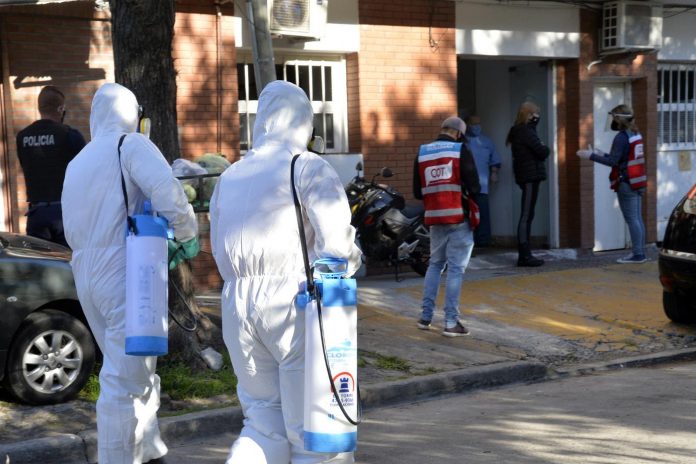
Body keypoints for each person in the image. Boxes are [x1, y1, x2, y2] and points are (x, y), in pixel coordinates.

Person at [209, 80, 361, 464]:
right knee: (315, 429)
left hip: (236, 304)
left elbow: (217, 244)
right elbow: (337, 247)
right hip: (296, 301)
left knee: (262, 422)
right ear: (302, 122)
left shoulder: (229, 176)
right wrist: (352, 259)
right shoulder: (306, 165)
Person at [62, 82, 199, 464]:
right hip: (127, 272)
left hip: (87, 273)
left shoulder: (79, 161)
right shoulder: (131, 145)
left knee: (134, 368)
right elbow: (167, 192)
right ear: (131, 114)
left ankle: (150, 452)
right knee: (124, 381)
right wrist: (187, 234)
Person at [413, 116, 481, 337]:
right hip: (457, 217)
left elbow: (416, 191)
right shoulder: (460, 150)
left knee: (435, 265)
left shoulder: (423, 152)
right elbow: (475, 186)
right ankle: (451, 322)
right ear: (459, 133)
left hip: (434, 218)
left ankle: (425, 317)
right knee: (455, 269)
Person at [16, 85, 86, 247]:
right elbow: (86, 173)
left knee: (41, 269)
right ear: (61, 108)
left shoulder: (22, 137)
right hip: (65, 214)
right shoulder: (70, 135)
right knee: (69, 266)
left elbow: (24, 166)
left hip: (36, 215)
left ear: (39, 108)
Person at [577, 104, 647, 263]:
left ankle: (638, 254)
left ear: (618, 119)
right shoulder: (635, 133)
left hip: (626, 182)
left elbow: (613, 162)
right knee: (637, 218)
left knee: (632, 219)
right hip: (636, 180)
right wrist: (601, 153)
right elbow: (621, 157)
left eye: (613, 117)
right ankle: (640, 252)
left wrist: (590, 156)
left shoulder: (621, 137)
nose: (612, 121)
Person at [506, 101, 549, 267]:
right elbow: (542, 151)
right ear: (528, 115)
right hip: (529, 176)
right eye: (534, 114)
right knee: (526, 215)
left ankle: (525, 253)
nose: (537, 117)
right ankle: (524, 255)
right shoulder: (525, 131)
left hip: (528, 175)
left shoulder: (521, 130)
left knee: (528, 214)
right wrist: (544, 146)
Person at [465, 114, 501, 248]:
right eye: (474, 124)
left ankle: (484, 240)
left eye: (479, 123)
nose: (477, 127)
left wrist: (494, 173)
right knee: (467, 214)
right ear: (468, 125)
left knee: (483, 213)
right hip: (466, 185)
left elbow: (495, 159)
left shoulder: (487, 142)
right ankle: (469, 241)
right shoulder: (463, 143)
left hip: (482, 184)